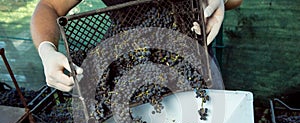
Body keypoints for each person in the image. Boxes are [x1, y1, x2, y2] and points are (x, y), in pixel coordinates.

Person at [31, 0, 242, 92]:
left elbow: (236, 0)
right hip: (127, 60)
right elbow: (49, 5)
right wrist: (47, 51)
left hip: (191, 55)